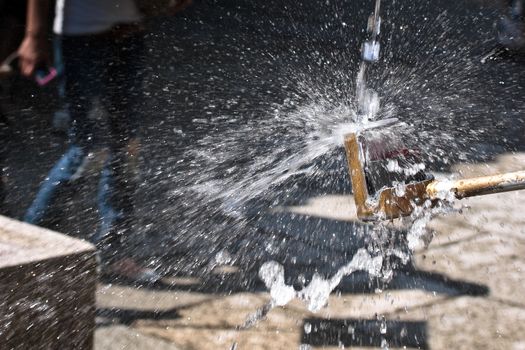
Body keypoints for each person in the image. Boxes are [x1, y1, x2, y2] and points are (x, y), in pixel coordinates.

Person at [17, 0, 191, 282]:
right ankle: (30, 246)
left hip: (128, 34)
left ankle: (112, 252)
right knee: (90, 150)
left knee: (126, 147)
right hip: (81, 38)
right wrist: (34, 35)